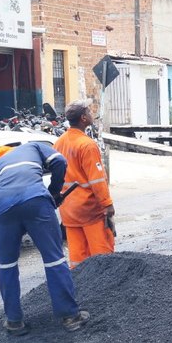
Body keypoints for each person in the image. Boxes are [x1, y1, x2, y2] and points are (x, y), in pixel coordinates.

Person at [0, 142, 90, 335]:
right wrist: (54, 192)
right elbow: (60, 161)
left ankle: (14, 322)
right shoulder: (33, 147)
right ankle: (70, 317)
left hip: (3, 210)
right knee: (54, 260)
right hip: (36, 201)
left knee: (6, 266)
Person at [54, 99, 115, 268]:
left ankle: (79, 283)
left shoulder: (59, 143)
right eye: (88, 111)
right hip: (89, 210)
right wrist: (107, 204)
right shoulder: (87, 145)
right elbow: (97, 180)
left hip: (69, 210)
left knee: (78, 258)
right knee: (103, 257)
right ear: (83, 118)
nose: (91, 113)